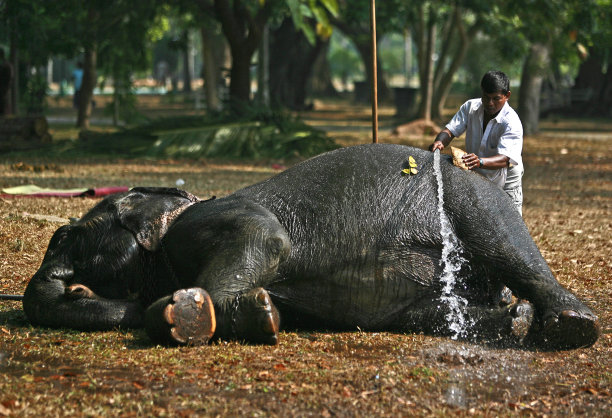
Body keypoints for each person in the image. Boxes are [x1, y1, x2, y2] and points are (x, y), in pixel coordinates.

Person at [429, 70, 524, 215]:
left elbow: (506, 159)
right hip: (477, 173)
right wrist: (440, 142)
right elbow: (450, 131)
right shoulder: (470, 107)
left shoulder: (511, 122)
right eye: (486, 97)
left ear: (507, 96)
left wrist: (479, 161)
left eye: (496, 98)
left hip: (506, 179)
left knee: (510, 224)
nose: (490, 103)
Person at [0, 48, 13, 116]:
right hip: (4, 89)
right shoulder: (5, 65)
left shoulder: (5, 65)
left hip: (4, 89)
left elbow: (8, 78)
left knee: (4, 105)